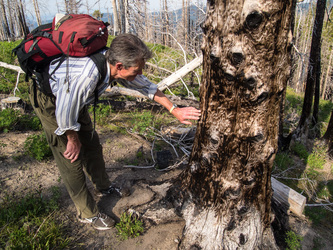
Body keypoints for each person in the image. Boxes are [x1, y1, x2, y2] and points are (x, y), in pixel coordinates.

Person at [29, 33, 201, 231]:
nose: (139, 73)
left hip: (75, 100)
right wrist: (72, 138)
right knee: (71, 157)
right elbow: (65, 113)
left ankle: (103, 187)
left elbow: (147, 87)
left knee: (92, 145)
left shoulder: (115, 67)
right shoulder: (87, 76)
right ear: (119, 66)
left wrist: (174, 109)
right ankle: (88, 214)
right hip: (53, 102)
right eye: (137, 70)